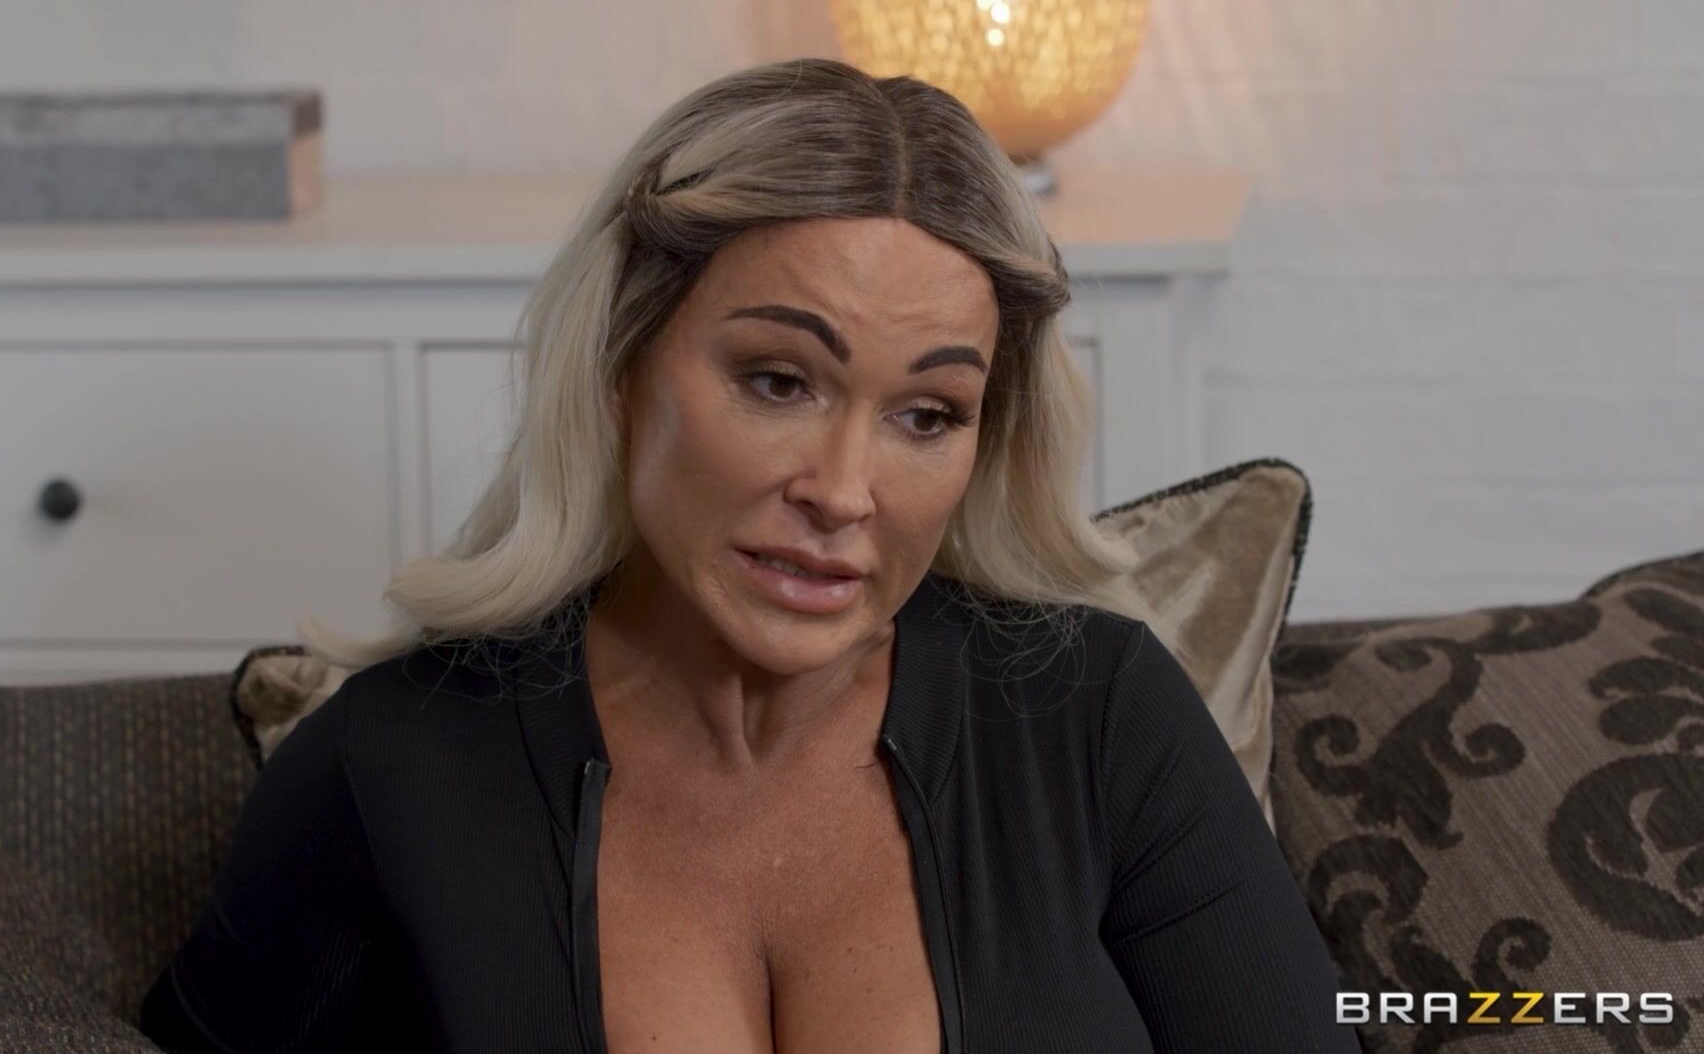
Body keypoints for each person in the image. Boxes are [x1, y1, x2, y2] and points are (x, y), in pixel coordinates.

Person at [139, 57, 1359, 1053]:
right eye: (779, 381)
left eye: (926, 415)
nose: (842, 492)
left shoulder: (1097, 716)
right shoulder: (394, 762)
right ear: (620, 367)